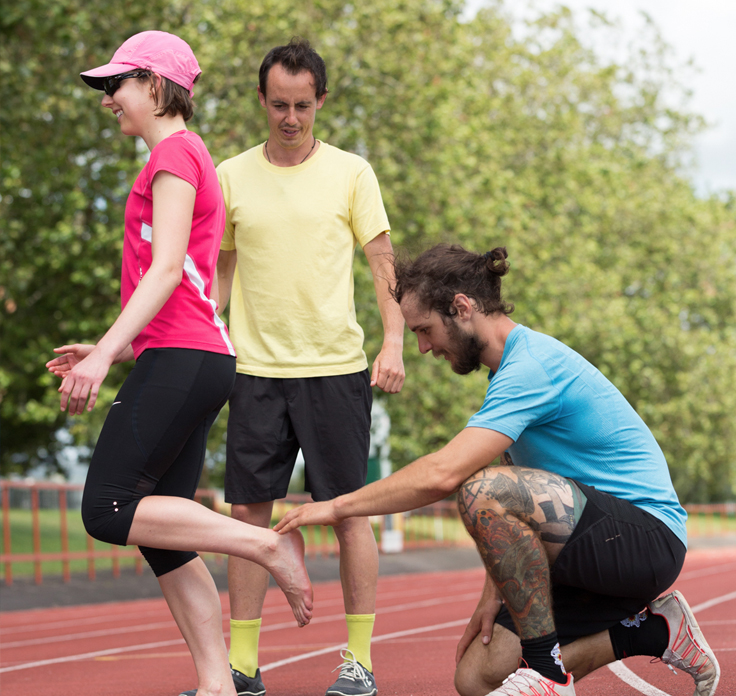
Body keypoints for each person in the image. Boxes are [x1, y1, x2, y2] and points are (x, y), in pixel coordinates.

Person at [275, 244, 721, 696]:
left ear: (462, 308)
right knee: (478, 678)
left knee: (480, 487)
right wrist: (494, 594)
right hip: (581, 544)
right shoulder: (504, 374)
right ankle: (652, 631)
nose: (424, 347)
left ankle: (547, 672)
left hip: (643, 540)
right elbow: (520, 502)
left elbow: (445, 475)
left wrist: (337, 507)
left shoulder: (531, 367)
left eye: (425, 330)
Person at [46, 31, 312, 696]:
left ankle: (263, 543)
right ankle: (217, 685)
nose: (109, 98)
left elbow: (166, 269)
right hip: (186, 354)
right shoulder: (187, 156)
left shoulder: (173, 156)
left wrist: (108, 353)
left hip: (185, 357)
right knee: (165, 534)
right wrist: (115, 342)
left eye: (119, 84)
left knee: (106, 508)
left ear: (157, 88)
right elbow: (184, 279)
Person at [212, 37, 405, 696]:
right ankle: (241, 666)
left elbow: (384, 265)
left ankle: (359, 663)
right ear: (262, 101)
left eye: (302, 105)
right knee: (247, 516)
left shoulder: (352, 173)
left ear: (320, 101)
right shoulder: (230, 175)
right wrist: (208, 340)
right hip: (256, 369)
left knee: (350, 513)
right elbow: (220, 271)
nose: (290, 118)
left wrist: (394, 342)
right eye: (278, 105)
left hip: (334, 369)